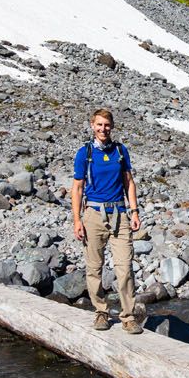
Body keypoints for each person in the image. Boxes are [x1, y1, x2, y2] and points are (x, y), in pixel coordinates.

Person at [71, 108, 142, 333]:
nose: (103, 129)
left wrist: (135, 211)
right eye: (99, 125)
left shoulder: (120, 151)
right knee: (94, 267)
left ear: (112, 126)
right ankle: (101, 312)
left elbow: (128, 182)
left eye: (107, 125)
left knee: (124, 268)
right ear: (93, 125)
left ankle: (128, 317)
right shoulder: (85, 153)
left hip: (120, 214)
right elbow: (78, 188)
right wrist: (77, 220)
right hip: (93, 214)